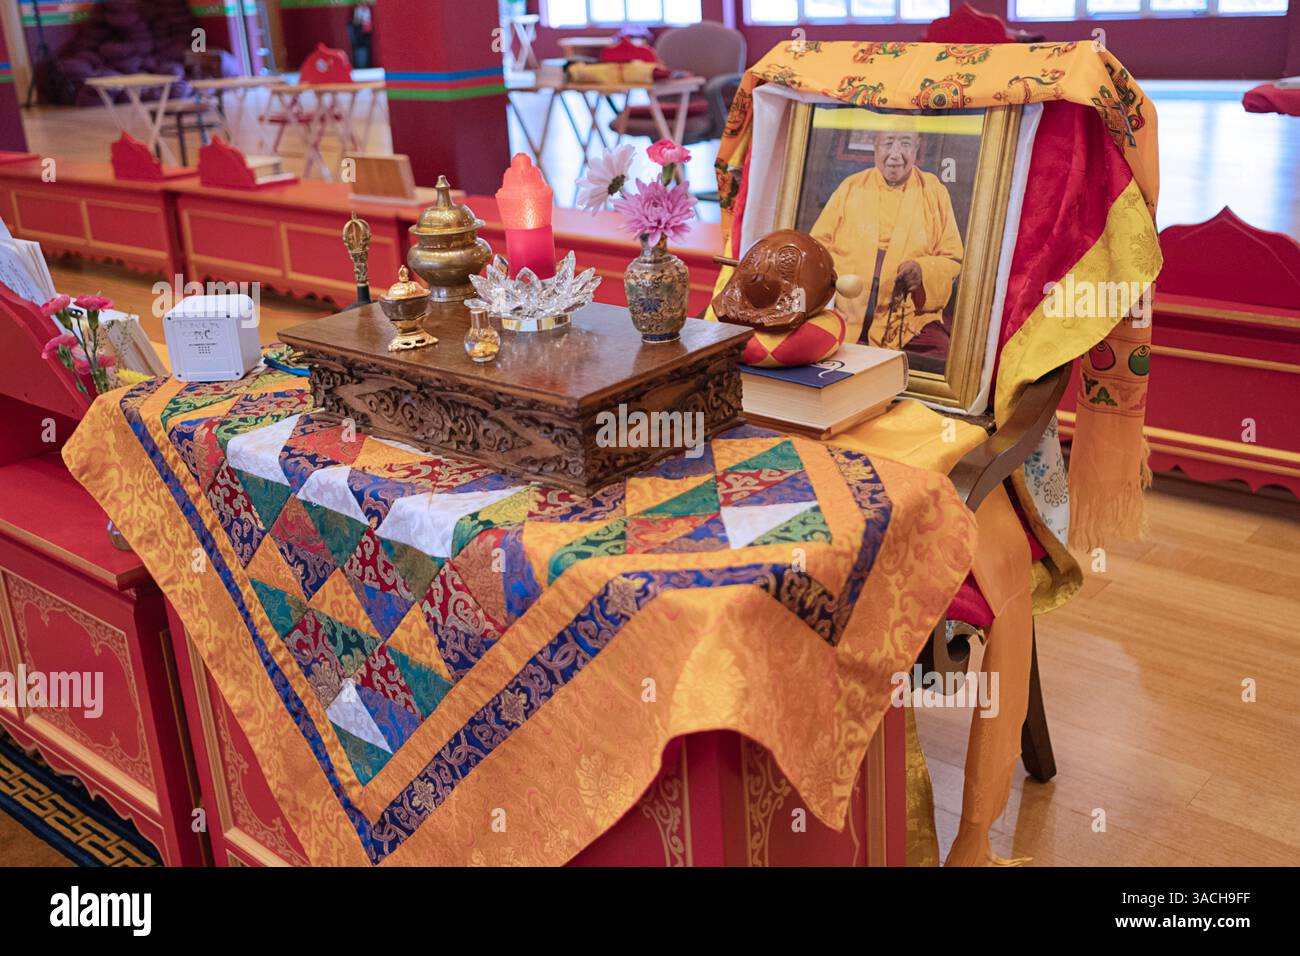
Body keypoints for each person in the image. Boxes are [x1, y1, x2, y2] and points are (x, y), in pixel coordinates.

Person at [811, 124, 963, 359]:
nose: (895, 154)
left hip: (906, 312)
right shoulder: (852, 186)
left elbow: (952, 257)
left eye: (905, 144)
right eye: (888, 143)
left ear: (916, 149)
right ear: (875, 148)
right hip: (846, 306)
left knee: (943, 352)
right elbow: (816, 247)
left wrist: (922, 270)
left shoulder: (933, 191)